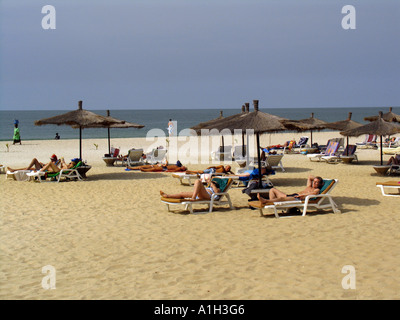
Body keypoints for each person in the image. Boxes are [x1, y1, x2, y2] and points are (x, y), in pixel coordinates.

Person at [257, 175, 324, 204]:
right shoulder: (309, 186)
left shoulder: (317, 189)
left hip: (299, 198)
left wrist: (303, 195)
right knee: (272, 190)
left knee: (281, 199)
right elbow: (309, 177)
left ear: (320, 184)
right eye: (314, 181)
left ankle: (266, 201)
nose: (314, 183)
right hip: (294, 195)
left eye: (316, 182)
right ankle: (272, 203)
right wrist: (317, 178)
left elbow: (314, 194)